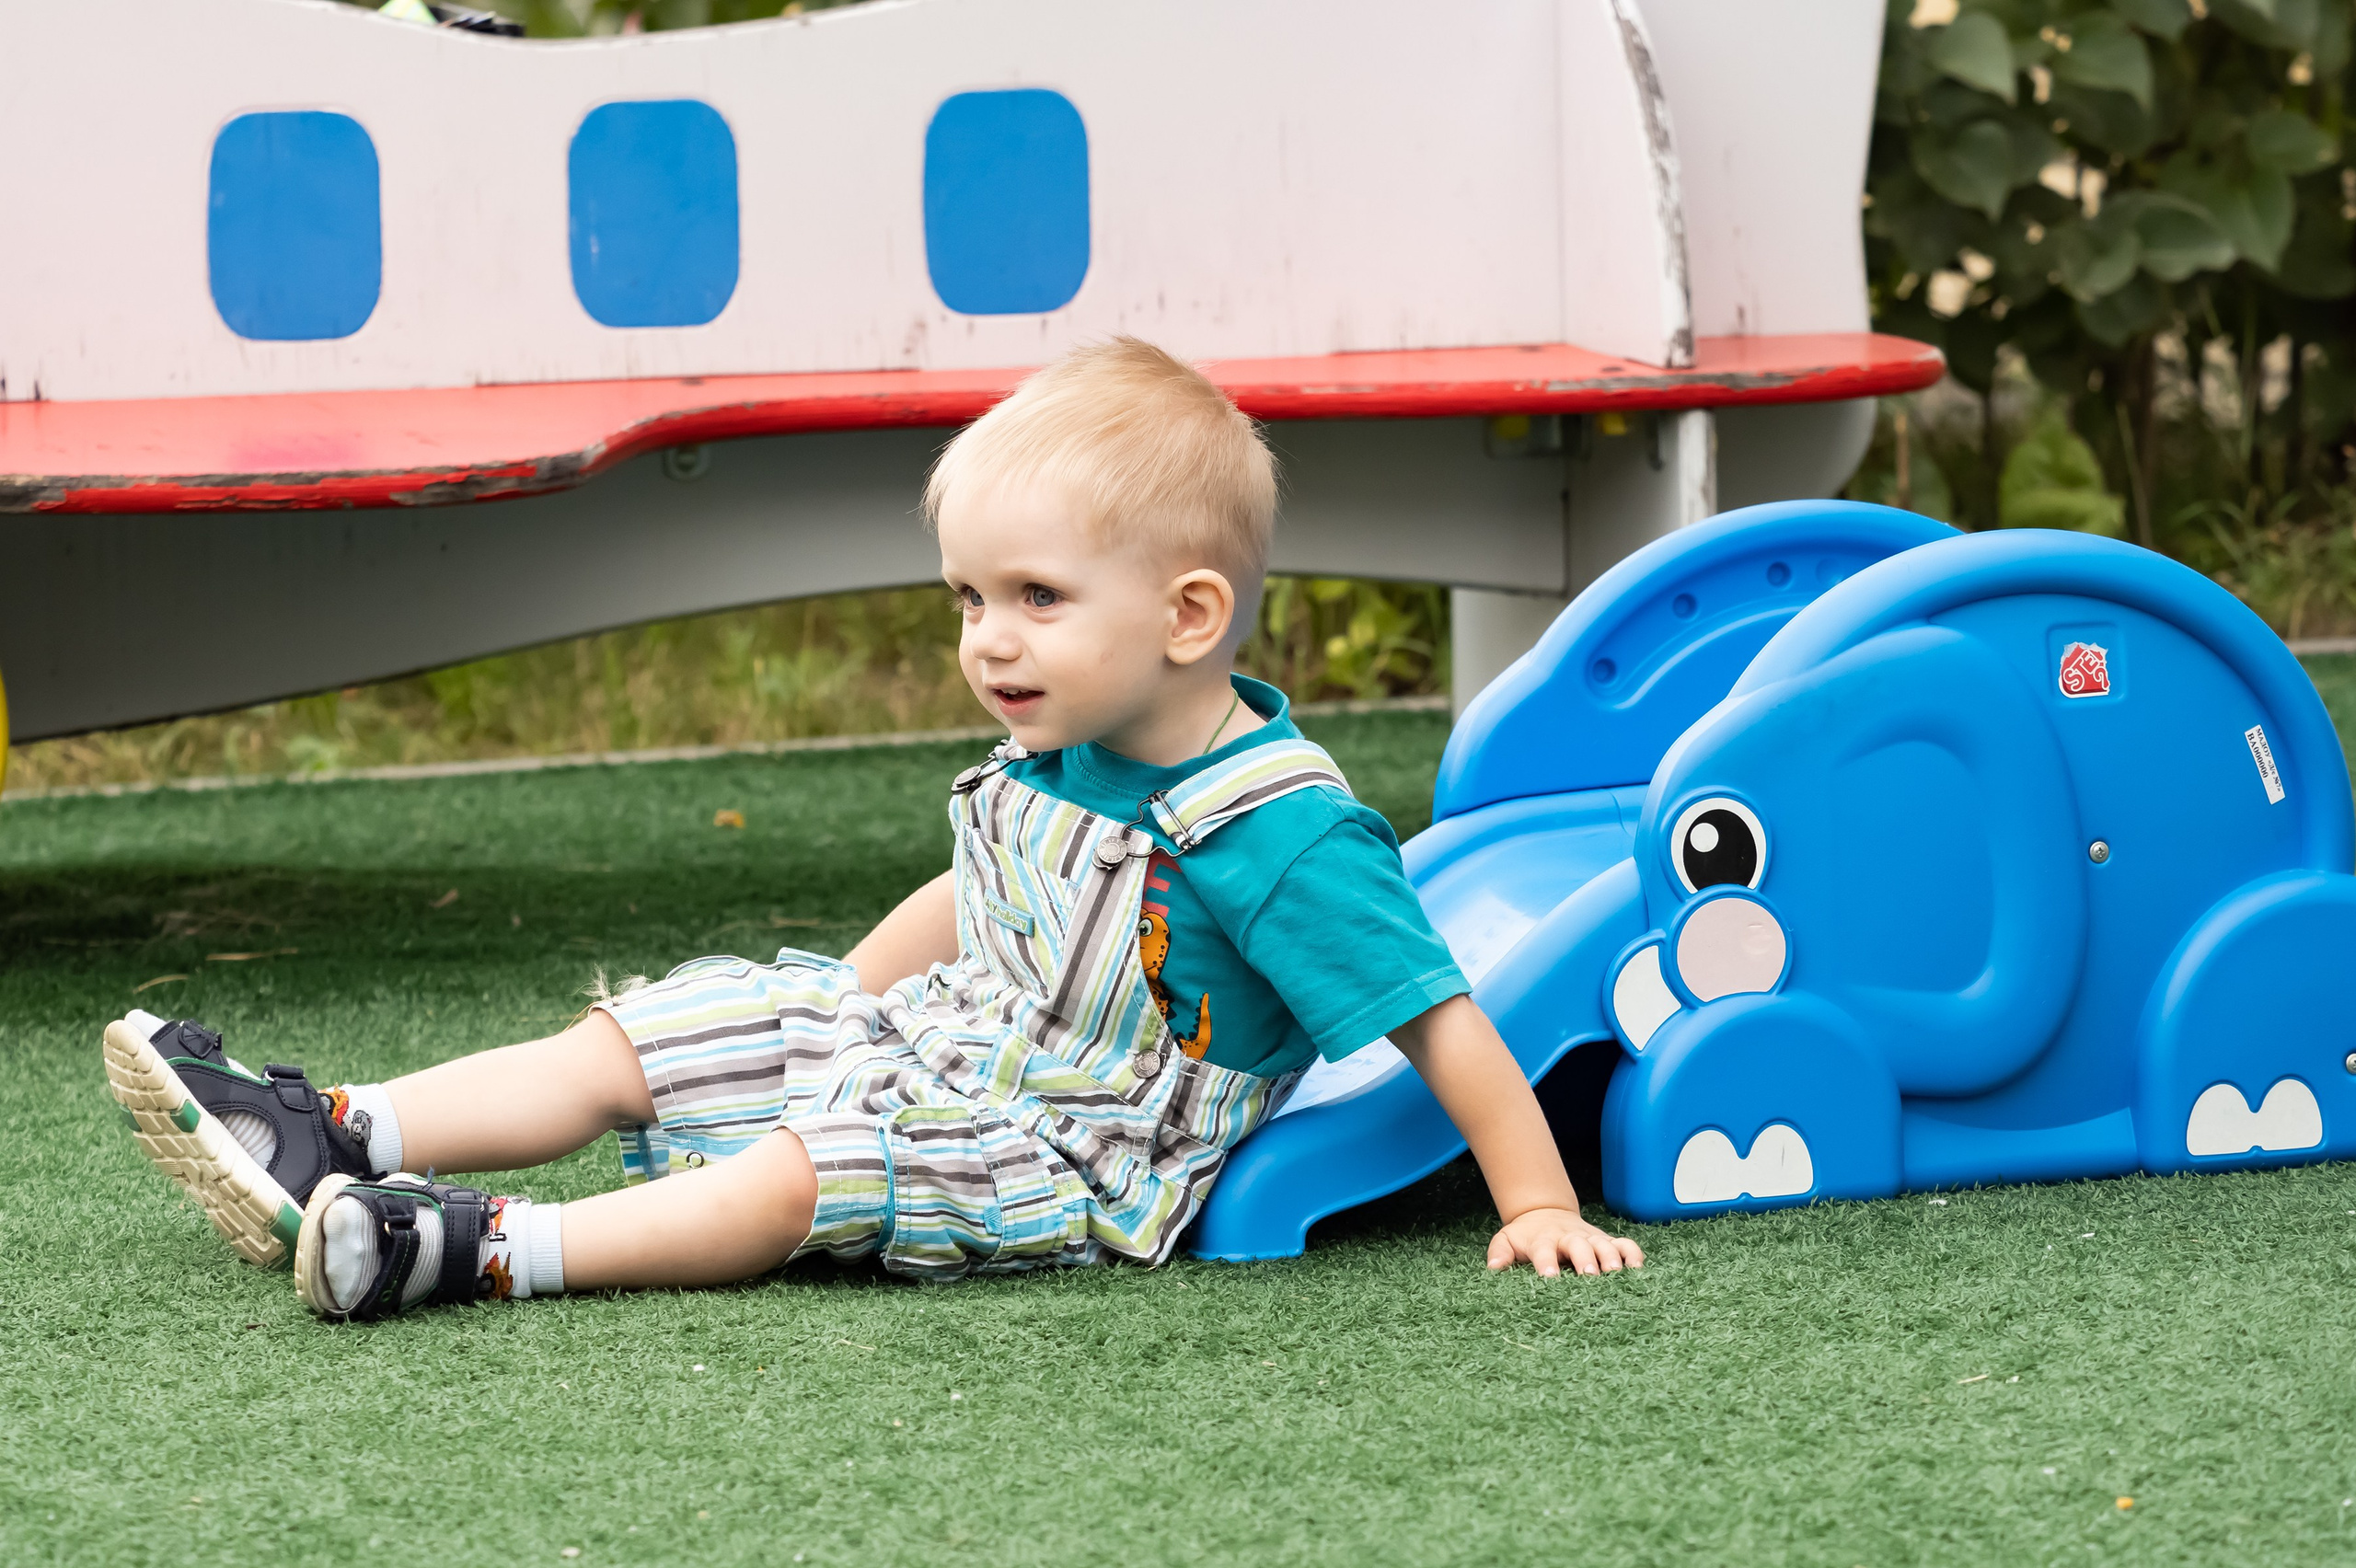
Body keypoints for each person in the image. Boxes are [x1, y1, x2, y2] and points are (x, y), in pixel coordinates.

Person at [101, 339, 1644, 1321]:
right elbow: (984, 894)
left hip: (1072, 1144)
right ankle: (337, 1130)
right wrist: (833, 1005)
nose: (991, 639)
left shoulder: (1281, 835)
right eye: (972, 597)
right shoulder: (1066, 744)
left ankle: (491, 1247)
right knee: (666, 1031)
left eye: (1039, 598)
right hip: (954, 1036)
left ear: (1188, 616)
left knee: (798, 1173)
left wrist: (1534, 1203)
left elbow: (1438, 1020)